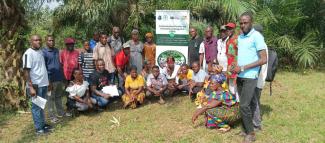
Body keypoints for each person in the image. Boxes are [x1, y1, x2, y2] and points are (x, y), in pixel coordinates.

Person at [231, 12, 267, 143]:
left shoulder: (257, 36)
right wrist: (236, 65)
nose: (242, 25)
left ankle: (251, 133)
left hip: (250, 76)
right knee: (246, 104)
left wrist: (243, 67)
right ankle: (247, 128)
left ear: (251, 22)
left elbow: (264, 59)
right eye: (241, 23)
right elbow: (242, 55)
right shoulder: (241, 37)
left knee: (244, 105)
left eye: (245, 22)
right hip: (240, 76)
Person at [23, 35, 51, 135]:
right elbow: (26, 71)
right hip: (35, 85)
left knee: (41, 105)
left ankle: (43, 125)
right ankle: (39, 129)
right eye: (35, 40)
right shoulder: (28, 53)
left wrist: (47, 83)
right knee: (36, 107)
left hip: (43, 83)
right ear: (31, 42)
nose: (38, 41)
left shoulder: (40, 52)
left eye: (39, 40)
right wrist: (30, 87)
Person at [42, 35, 65, 123]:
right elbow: (44, 68)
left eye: (53, 40)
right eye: (49, 40)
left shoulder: (56, 50)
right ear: (46, 41)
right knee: (50, 98)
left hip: (58, 77)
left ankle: (61, 112)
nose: (51, 42)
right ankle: (52, 116)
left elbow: (59, 64)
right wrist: (48, 81)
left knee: (58, 96)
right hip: (50, 80)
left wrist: (62, 77)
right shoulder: (43, 52)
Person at [252, 24, 269, 131]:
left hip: (257, 79)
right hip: (258, 79)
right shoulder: (262, 44)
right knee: (255, 101)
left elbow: (259, 63)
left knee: (254, 102)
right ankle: (253, 122)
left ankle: (256, 125)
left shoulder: (260, 45)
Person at [60, 37, 80, 116]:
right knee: (68, 92)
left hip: (75, 76)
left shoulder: (77, 52)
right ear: (66, 45)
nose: (70, 45)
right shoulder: (63, 53)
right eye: (68, 44)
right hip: (66, 76)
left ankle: (76, 107)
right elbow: (61, 65)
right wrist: (63, 78)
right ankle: (69, 108)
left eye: (72, 44)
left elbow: (78, 64)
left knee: (76, 91)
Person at [225, 22, 239, 101]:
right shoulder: (228, 40)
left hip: (235, 66)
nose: (228, 30)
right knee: (230, 85)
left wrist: (237, 65)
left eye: (230, 29)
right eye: (227, 29)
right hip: (229, 66)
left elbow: (240, 54)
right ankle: (233, 102)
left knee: (236, 85)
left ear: (234, 29)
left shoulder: (237, 39)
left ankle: (238, 103)